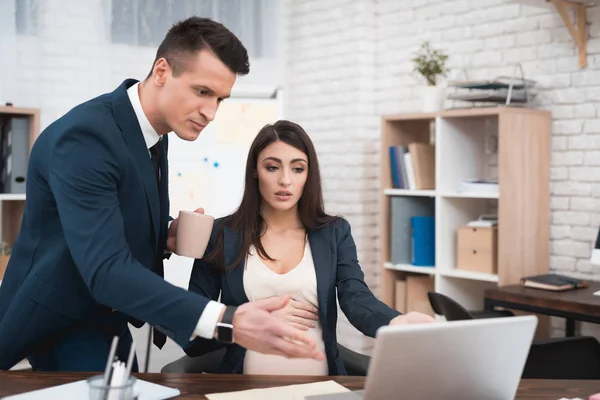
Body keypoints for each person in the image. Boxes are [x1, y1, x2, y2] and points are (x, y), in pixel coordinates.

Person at [0, 17, 323, 372]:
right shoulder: (86, 138)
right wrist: (227, 319)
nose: (211, 112)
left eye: (220, 98)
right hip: (60, 318)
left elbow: (111, 211)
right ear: (162, 71)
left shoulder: (156, 133)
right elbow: (106, 268)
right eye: (202, 92)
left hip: (106, 315)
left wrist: (164, 233)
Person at [186, 120, 435, 375]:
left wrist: (395, 321)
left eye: (297, 169)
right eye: (272, 167)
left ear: (309, 174)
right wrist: (246, 320)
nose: (285, 180)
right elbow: (191, 328)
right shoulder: (220, 234)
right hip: (242, 388)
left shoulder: (334, 233)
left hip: (320, 387)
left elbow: (356, 298)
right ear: (254, 171)